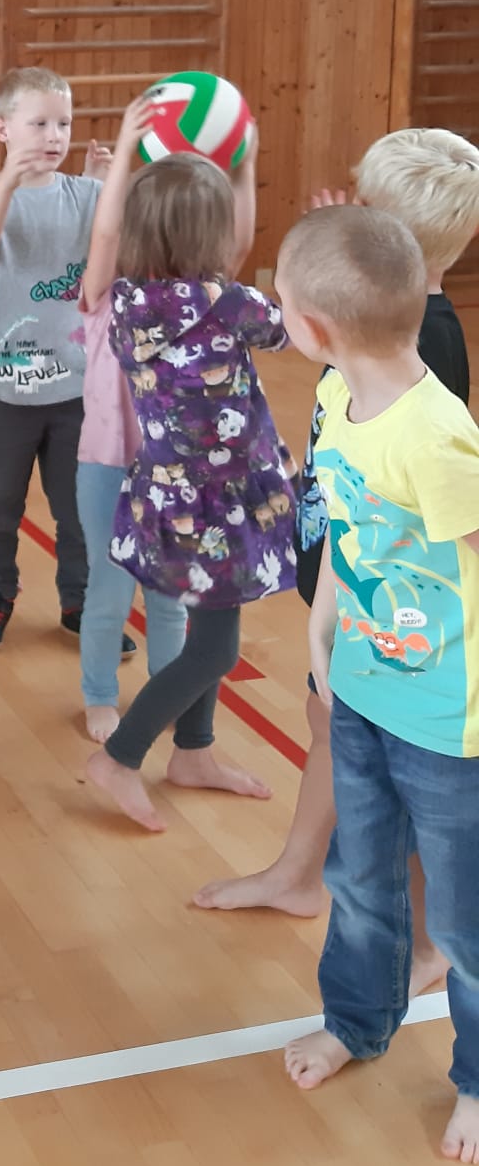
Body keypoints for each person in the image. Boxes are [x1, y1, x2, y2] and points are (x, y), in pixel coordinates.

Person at [195, 126, 479, 928]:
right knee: (331, 725)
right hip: (346, 580)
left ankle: (424, 935)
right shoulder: (378, 332)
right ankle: (301, 875)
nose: (350, 207)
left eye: (364, 208)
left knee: (399, 764)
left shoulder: (428, 349)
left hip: (393, 616)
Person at [273, 206, 479, 1166]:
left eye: (282, 302)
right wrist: (321, 625)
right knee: (360, 879)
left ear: (314, 326)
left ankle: (475, 1078)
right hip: (360, 691)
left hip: (446, 723)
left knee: (465, 922)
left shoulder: (436, 440)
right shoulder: (334, 395)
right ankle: (357, 1023)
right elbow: (346, 528)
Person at [83, 145, 295, 832]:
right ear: (212, 235)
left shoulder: (125, 300)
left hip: (170, 498)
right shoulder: (231, 303)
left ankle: (194, 752)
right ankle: (121, 756)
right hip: (221, 505)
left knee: (211, 623)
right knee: (216, 649)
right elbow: (289, 333)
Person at [0, 67, 108, 652]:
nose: (54, 135)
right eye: (39, 123)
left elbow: (110, 267)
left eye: (63, 123)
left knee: (79, 511)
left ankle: (80, 600)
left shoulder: (86, 195)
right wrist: (9, 185)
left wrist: (105, 189)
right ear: (3, 129)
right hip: (2, 391)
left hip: (75, 390)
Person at [75, 93, 188, 739]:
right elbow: (105, 233)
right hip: (108, 467)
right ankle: (99, 694)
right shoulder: (104, 299)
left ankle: (165, 695)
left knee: (170, 601)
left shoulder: (194, 301)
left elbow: (231, 240)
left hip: (172, 474)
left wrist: (242, 161)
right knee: (110, 590)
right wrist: (122, 152)